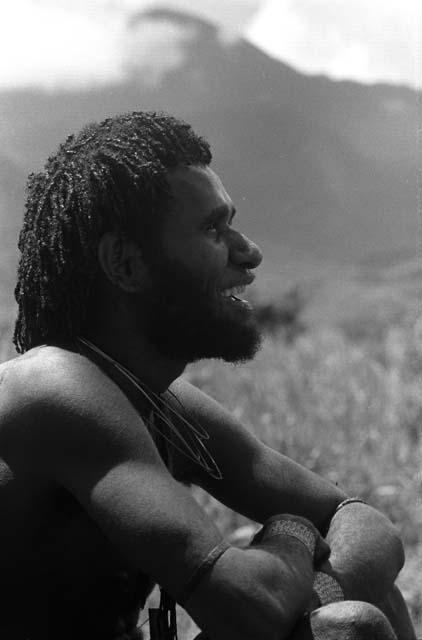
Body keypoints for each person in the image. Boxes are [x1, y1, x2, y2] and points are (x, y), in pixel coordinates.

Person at [0, 111, 415, 640]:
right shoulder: (56, 389)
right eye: (213, 229)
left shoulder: (160, 403)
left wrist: (306, 595)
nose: (249, 252)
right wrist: (292, 531)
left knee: (362, 602)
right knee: (347, 630)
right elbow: (249, 606)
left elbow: (368, 524)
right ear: (126, 263)